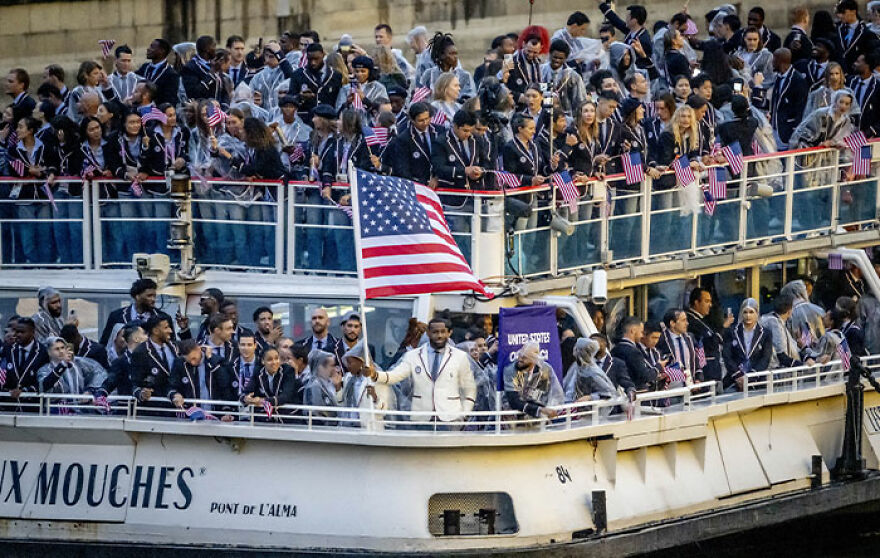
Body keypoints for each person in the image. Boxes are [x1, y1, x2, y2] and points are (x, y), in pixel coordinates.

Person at [368, 317, 476, 426]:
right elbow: (395, 376)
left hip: (451, 419)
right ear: (428, 333)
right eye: (435, 332)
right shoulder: (412, 355)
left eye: (443, 332)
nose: (439, 335)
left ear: (449, 333)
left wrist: (464, 414)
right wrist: (375, 374)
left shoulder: (460, 357)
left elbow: (469, 388)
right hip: (421, 418)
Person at [169, 339, 236, 420]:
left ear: (198, 349)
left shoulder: (217, 361)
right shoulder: (179, 363)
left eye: (194, 358)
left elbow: (225, 384)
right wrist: (175, 394)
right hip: (191, 415)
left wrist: (211, 360)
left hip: (215, 414)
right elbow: (172, 385)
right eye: (189, 360)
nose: (193, 363)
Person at [100, 278, 177, 345]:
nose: (153, 299)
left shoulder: (163, 318)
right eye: (149, 296)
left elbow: (172, 344)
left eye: (154, 296)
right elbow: (105, 343)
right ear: (137, 296)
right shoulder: (117, 316)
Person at [37, 337, 107, 410]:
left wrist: (89, 391)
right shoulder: (44, 370)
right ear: (49, 352)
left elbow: (98, 373)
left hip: (81, 410)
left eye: (62, 348)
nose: (61, 351)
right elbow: (44, 387)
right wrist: (62, 366)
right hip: (56, 412)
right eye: (57, 349)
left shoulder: (78, 363)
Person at [722, 299, 774, 391]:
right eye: (745, 312)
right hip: (734, 379)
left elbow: (765, 358)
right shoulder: (731, 332)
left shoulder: (766, 333)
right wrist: (738, 376)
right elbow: (727, 356)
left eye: (751, 312)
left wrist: (750, 377)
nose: (748, 315)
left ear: (757, 313)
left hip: (757, 380)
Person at [502, 342, 563, 419]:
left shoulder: (545, 369)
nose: (520, 359)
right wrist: (539, 410)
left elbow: (555, 394)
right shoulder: (511, 370)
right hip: (515, 417)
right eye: (520, 355)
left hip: (540, 418)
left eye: (524, 358)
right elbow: (514, 401)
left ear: (534, 360)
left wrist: (550, 409)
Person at [130, 314, 178, 410]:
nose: (170, 331)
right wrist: (142, 393)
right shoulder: (141, 352)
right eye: (166, 328)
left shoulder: (175, 347)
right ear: (155, 331)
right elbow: (135, 383)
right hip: (155, 408)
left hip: (177, 406)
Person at [1, 317, 51, 407]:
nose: (18, 335)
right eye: (17, 331)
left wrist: (25, 391)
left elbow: (43, 381)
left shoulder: (42, 352)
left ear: (33, 333)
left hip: (32, 405)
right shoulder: (8, 349)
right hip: (10, 405)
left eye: (22, 332)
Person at [686, 287, 732, 383]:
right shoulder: (690, 321)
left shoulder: (703, 320)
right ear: (696, 302)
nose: (710, 305)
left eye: (710, 301)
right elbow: (710, 343)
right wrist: (724, 326)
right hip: (706, 373)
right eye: (706, 301)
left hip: (715, 372)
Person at [241, 346, 302, 419]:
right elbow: (246, 392)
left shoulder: (288, 371)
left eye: (276, 358)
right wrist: (246, 399)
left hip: (288, 416)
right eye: (270, 360)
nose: (274, 362)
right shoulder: (258, 372)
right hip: (265, 417)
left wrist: (262, 401)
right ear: (263, 361)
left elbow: (286, 396)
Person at [564, 338, 619, 413]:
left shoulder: (592, 372)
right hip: (570, 409)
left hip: (587, 414)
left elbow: (610, 393)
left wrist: (590, 397)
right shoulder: (576, 366)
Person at [610, 316, 660, 391]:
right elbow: (644, 376)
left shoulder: (614, 349)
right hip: (635, 394)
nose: (642, 336)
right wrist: (658, 368)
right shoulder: (634, 352)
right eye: (641, 332)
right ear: (633, 330)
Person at [99, 323, 145, 398]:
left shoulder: (149, 359)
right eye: (144, 334)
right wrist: (101, 394)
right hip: (128, 406)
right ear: (136, 339)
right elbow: (110, 382)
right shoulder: (120, 362)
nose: (147, 337)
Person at [657, 308, 701, 383]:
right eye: (683, 320)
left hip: (691, 385)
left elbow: (698, 361)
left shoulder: (690, 338)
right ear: (672, 323)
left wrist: (698, 379)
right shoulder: (661, 340)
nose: (687, 323)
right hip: (671, 386)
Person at [759, 294, 801, 369]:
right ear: (789, 311)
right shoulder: (774, 323)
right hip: (772, 370)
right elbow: (781, 354)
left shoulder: (771, 319)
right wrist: (802, 365)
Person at [303, 349, 344, 421]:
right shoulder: (314, 386)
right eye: (331, 366)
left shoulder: (328, 384)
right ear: (320, 367)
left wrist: (338, 388)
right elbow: (316, 413)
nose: (335, 369)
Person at [137, 39, 180, 106]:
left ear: (162, 51)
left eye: (152, 47)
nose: (148, 49)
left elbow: (170, 100)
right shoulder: (144, 67)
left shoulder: (171, 74)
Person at [232, 330, 260, 398]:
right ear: (238, 345)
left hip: (257, 405)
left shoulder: (262, 365)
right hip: (236, 405)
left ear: (255, 346)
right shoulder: (231, 366)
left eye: (249, 345)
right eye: (243, 345)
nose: (246, 348)